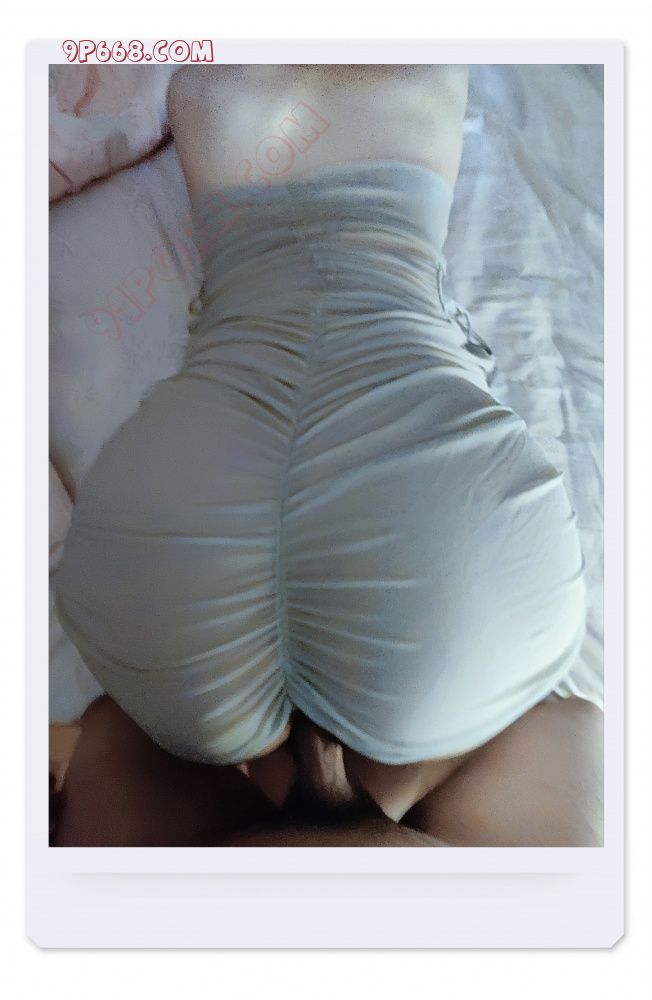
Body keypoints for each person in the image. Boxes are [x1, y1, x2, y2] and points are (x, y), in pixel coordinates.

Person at [52, 65, 603, 848]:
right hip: (210, 625)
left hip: (376, 606)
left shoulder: (236, 77)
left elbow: (565, 736)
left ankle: (347, 790)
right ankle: (346, 788)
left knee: (547, 739)